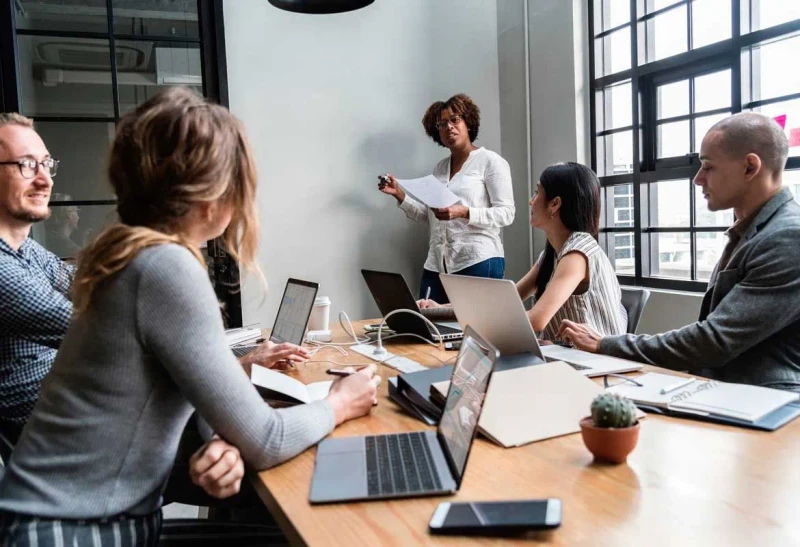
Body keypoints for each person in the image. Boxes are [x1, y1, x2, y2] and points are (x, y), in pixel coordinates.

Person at [0, 88, 381, 543]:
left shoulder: (131, 252)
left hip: (73, 522)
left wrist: (221, 437)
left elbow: (178, 386)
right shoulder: (163, 266)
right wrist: (340, 402)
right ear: (211, 191)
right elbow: (268, 441)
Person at [0, 113, 255, 507]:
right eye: (25, 164)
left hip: (104, 423)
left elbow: (103, 290)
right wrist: (228, 364)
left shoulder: (27, 252)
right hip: (81, 452)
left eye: (46, 163)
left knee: (245, 438)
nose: (45, 178)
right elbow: (112, 328)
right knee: (261, 457)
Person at [558, 113, 800, 391]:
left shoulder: (787, 236)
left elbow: (714, 340)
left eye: (708, 167)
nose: (698, 179)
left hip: (770, 403)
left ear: (749, 167)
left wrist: (605, 343)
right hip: (728, 392)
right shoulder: (751, 231)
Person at [422, 162, 627, 339]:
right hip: (566, 355)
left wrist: (473, 320)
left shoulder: (577, 254)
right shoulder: (552, 254)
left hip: (597, 364)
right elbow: (508, 301)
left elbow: (536, 320)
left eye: (538, 192)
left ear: (554, 204)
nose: (531, 200)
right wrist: (439, 309)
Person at [378, 93, 515, 303]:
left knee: (472, 331)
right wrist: (399, 194)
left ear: (468, 122)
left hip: (477, 260)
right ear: (437, 133)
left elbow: (506, 213)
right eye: (442, 124)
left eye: (454, 119)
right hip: (437, 263)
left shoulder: (490, 162)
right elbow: (430, 216)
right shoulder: (440, 168)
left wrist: (464, 211)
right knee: (429, 327)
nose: (448, 127)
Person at [43, 193, 81, 258]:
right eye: (76, 211)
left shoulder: (46, 237)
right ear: (68, 214)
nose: (78, 217)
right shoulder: (68, 247)